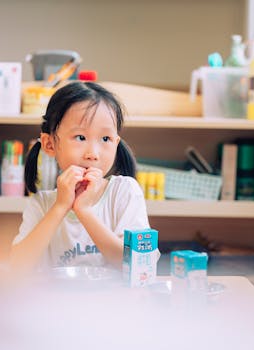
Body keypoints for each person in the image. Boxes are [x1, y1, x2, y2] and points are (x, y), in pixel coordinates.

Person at [9, 82, 149, 272]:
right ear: (49, 144)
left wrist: (84, 210)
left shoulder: (125, 192)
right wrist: (60, 207)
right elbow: (16, 267)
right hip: (57, 301)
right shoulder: (43, 204)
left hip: (114, 301)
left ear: (116, 143)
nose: (93, 153)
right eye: (80, 138)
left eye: (105, 139)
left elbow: (137, 266)